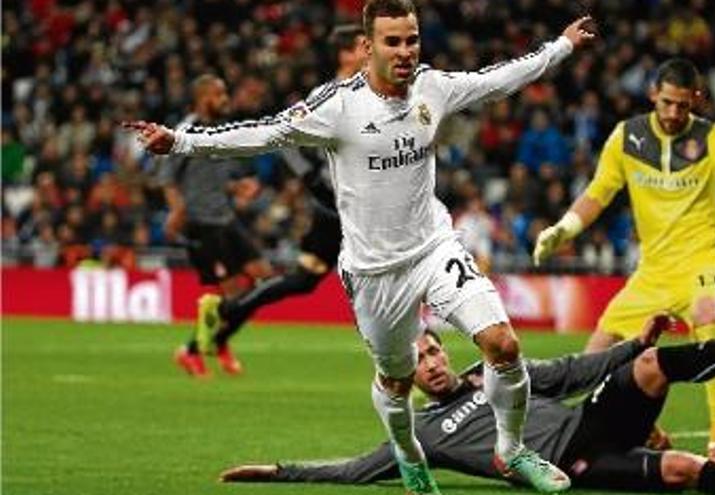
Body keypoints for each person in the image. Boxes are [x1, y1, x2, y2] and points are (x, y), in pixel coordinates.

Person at [124, 1, 597, 493]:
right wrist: (181, 142)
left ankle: (512, 449)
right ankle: (408, 452)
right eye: (393, 42)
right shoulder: (337, 106)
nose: (406, 51)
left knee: (503, 344)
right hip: (374, 271)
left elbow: (499, 78)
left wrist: (561, 46)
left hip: (434, 247)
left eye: (412, 40)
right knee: (396, 381)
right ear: (368, 47)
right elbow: (265, 133)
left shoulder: (432, 87)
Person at [218, 300, 715, 495]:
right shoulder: (419, 436)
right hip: (573, 468)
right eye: (421, 361)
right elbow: (356, 471)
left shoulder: (490, 373)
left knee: (652, 363)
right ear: (406, 377)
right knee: (684, 469)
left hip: (591, 421)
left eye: (436, 350)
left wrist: (632, 340)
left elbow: (570, 370)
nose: (434, 362)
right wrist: (277, 471)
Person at [532, 58, 715, 465]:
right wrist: (564, 228)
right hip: (652, 271)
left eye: (682, 105)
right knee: (596, 352)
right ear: (653, 94)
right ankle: (641, 429)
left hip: (706, 260)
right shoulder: (626, 137)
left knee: (710, 315)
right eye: (666, 102)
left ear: (696, 101)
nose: (672, 113)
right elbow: (599, 192)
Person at [196, 24, 370, 368]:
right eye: (364, 46)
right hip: (337, 209)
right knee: (389, 282)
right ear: (345, 54)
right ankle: (409, 372)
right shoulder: (330, 95)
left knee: (304, 282)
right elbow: (283, 134)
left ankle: (223, 317)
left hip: (358, 209)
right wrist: (312, 180)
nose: (371, 52)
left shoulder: (368, 90)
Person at [158, 74, 275, 377]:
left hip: (225, 217)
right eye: (219, 94)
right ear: (202, 98)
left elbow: (215, 180)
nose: (225, 99)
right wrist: (176, 210)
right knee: (234, 290)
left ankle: (217, 340)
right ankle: (193, 350)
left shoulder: (220, 130)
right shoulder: (185, 131)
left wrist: (238, 187)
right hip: (201, 222)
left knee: (264, 278)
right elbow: (167, 177)